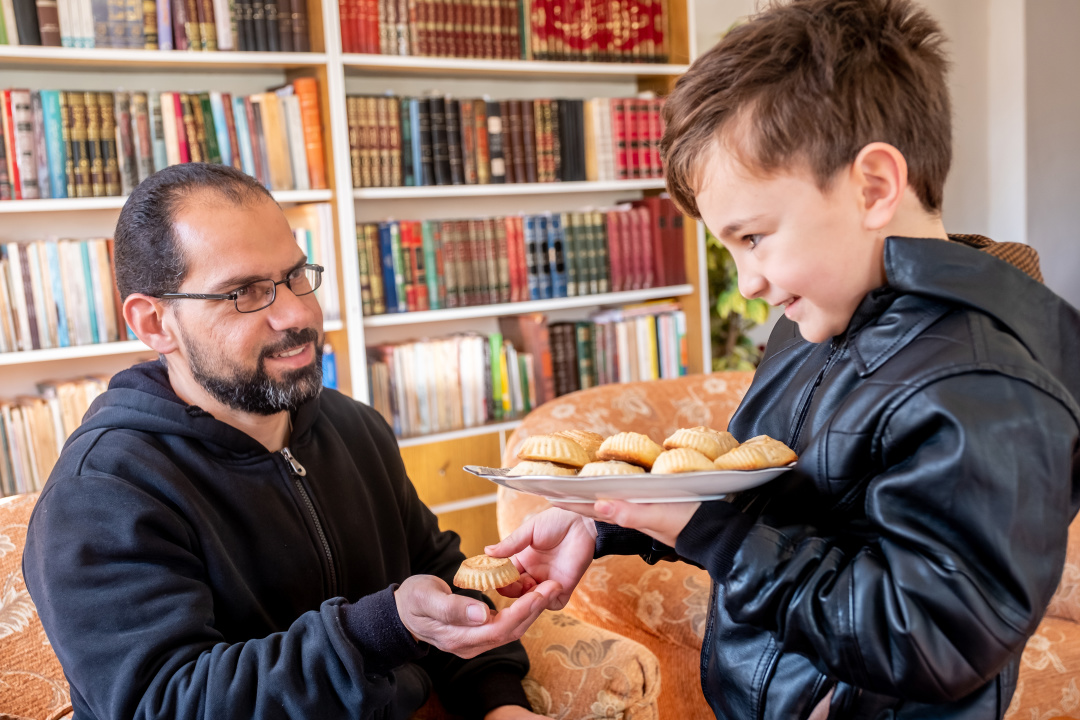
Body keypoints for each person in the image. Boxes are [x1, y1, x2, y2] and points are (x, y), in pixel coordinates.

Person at [488, 1, 1080, 718]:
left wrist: (715, 532)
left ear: (873, 187)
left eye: (755, 237)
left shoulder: (985, 381)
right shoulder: (811, 326)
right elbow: (782, 504)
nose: (748, 284)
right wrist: (607, 519)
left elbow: (935, 638)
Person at [22, 162, 558, 720]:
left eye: (296, 276)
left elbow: (441, 576)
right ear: (155, 323)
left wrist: (498, 704)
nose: (296, 312)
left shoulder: (355, 427)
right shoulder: (100, 494)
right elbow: (165, 704)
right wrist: (377, 630)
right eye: (244, 292)